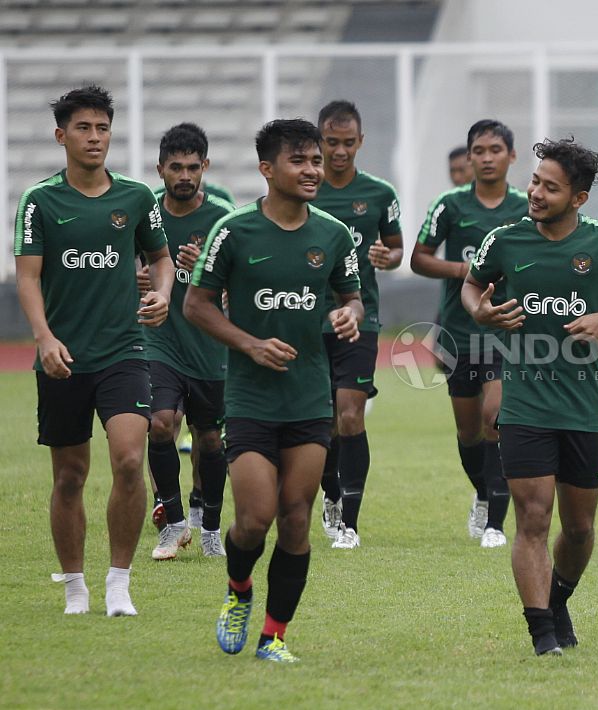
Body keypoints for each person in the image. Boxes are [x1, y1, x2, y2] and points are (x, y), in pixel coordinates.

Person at [462, 137, 598, 655]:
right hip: (524, 403)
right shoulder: (504, 240)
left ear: (579, 198)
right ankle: (542, 633)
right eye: (535, 181)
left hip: (585, 408)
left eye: (550, 186)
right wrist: (480, 310)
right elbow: (473, 285)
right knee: (534, 521)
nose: (535, 192)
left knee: (581, 529)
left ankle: (559, 598)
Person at [185, 118, 363, 662]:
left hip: (310, 399)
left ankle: (274, 636)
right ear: (268, 169)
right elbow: (197, 305)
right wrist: (249, 344)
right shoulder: (235, 231)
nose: (313, 170)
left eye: (316, 161)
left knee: (295, 518)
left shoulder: (332, 234)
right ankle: (239, 590)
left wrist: (349, 315)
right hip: (251, 400)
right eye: (300, 161)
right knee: (255, 517)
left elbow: (353, 297)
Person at [14, 85, 171, 616]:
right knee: (69, 476)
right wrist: (44, 337)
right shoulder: (39, 201)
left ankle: (118, 583)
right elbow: (28, 277)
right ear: (61, 136)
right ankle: (75, 586)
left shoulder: (134, 198)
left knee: (130, 459)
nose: (95, 137)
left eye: (103, 127)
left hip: (124, 350)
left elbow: (162, 258)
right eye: (83, 128)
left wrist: (162, 295)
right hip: (62, 357)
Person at [413, 119, 528, 548]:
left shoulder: (525, 207)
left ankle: (496, 525)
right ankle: (483, 493)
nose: (486, 158)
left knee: (494, 420)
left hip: (507, 332)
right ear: (469, 156)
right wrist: (467, 271)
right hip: (458, 332)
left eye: (495, 150)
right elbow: (419, 258)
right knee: (468, 433)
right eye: (478, 150)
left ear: (511, 156)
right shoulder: (450, 205)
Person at [312, 100, 404, 550]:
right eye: (332, 142)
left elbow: (395, 249)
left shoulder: (381, 194)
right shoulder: (304, 190)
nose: (340, 151)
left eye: (349, 142)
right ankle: (329, 493)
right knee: (322, 421)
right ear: (319, 142)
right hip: (308, 321)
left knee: (350, 416)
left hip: (359, 318)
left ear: (361, 141)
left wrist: (389, 257)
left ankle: (349, 521)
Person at [146, 123, 235, 560]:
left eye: (192, 167)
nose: (184, 175)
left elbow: (243, 281)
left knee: (211, 440)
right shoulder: (146, 214)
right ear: (160, 168)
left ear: (205, 167)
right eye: (175, 167)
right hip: (158, 341)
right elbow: (119, 266)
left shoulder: (222, 214)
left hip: (209, 345)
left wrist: (208, 269)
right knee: (161, 423)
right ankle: (173, 522)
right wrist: (137, 276)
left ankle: (211, 527)